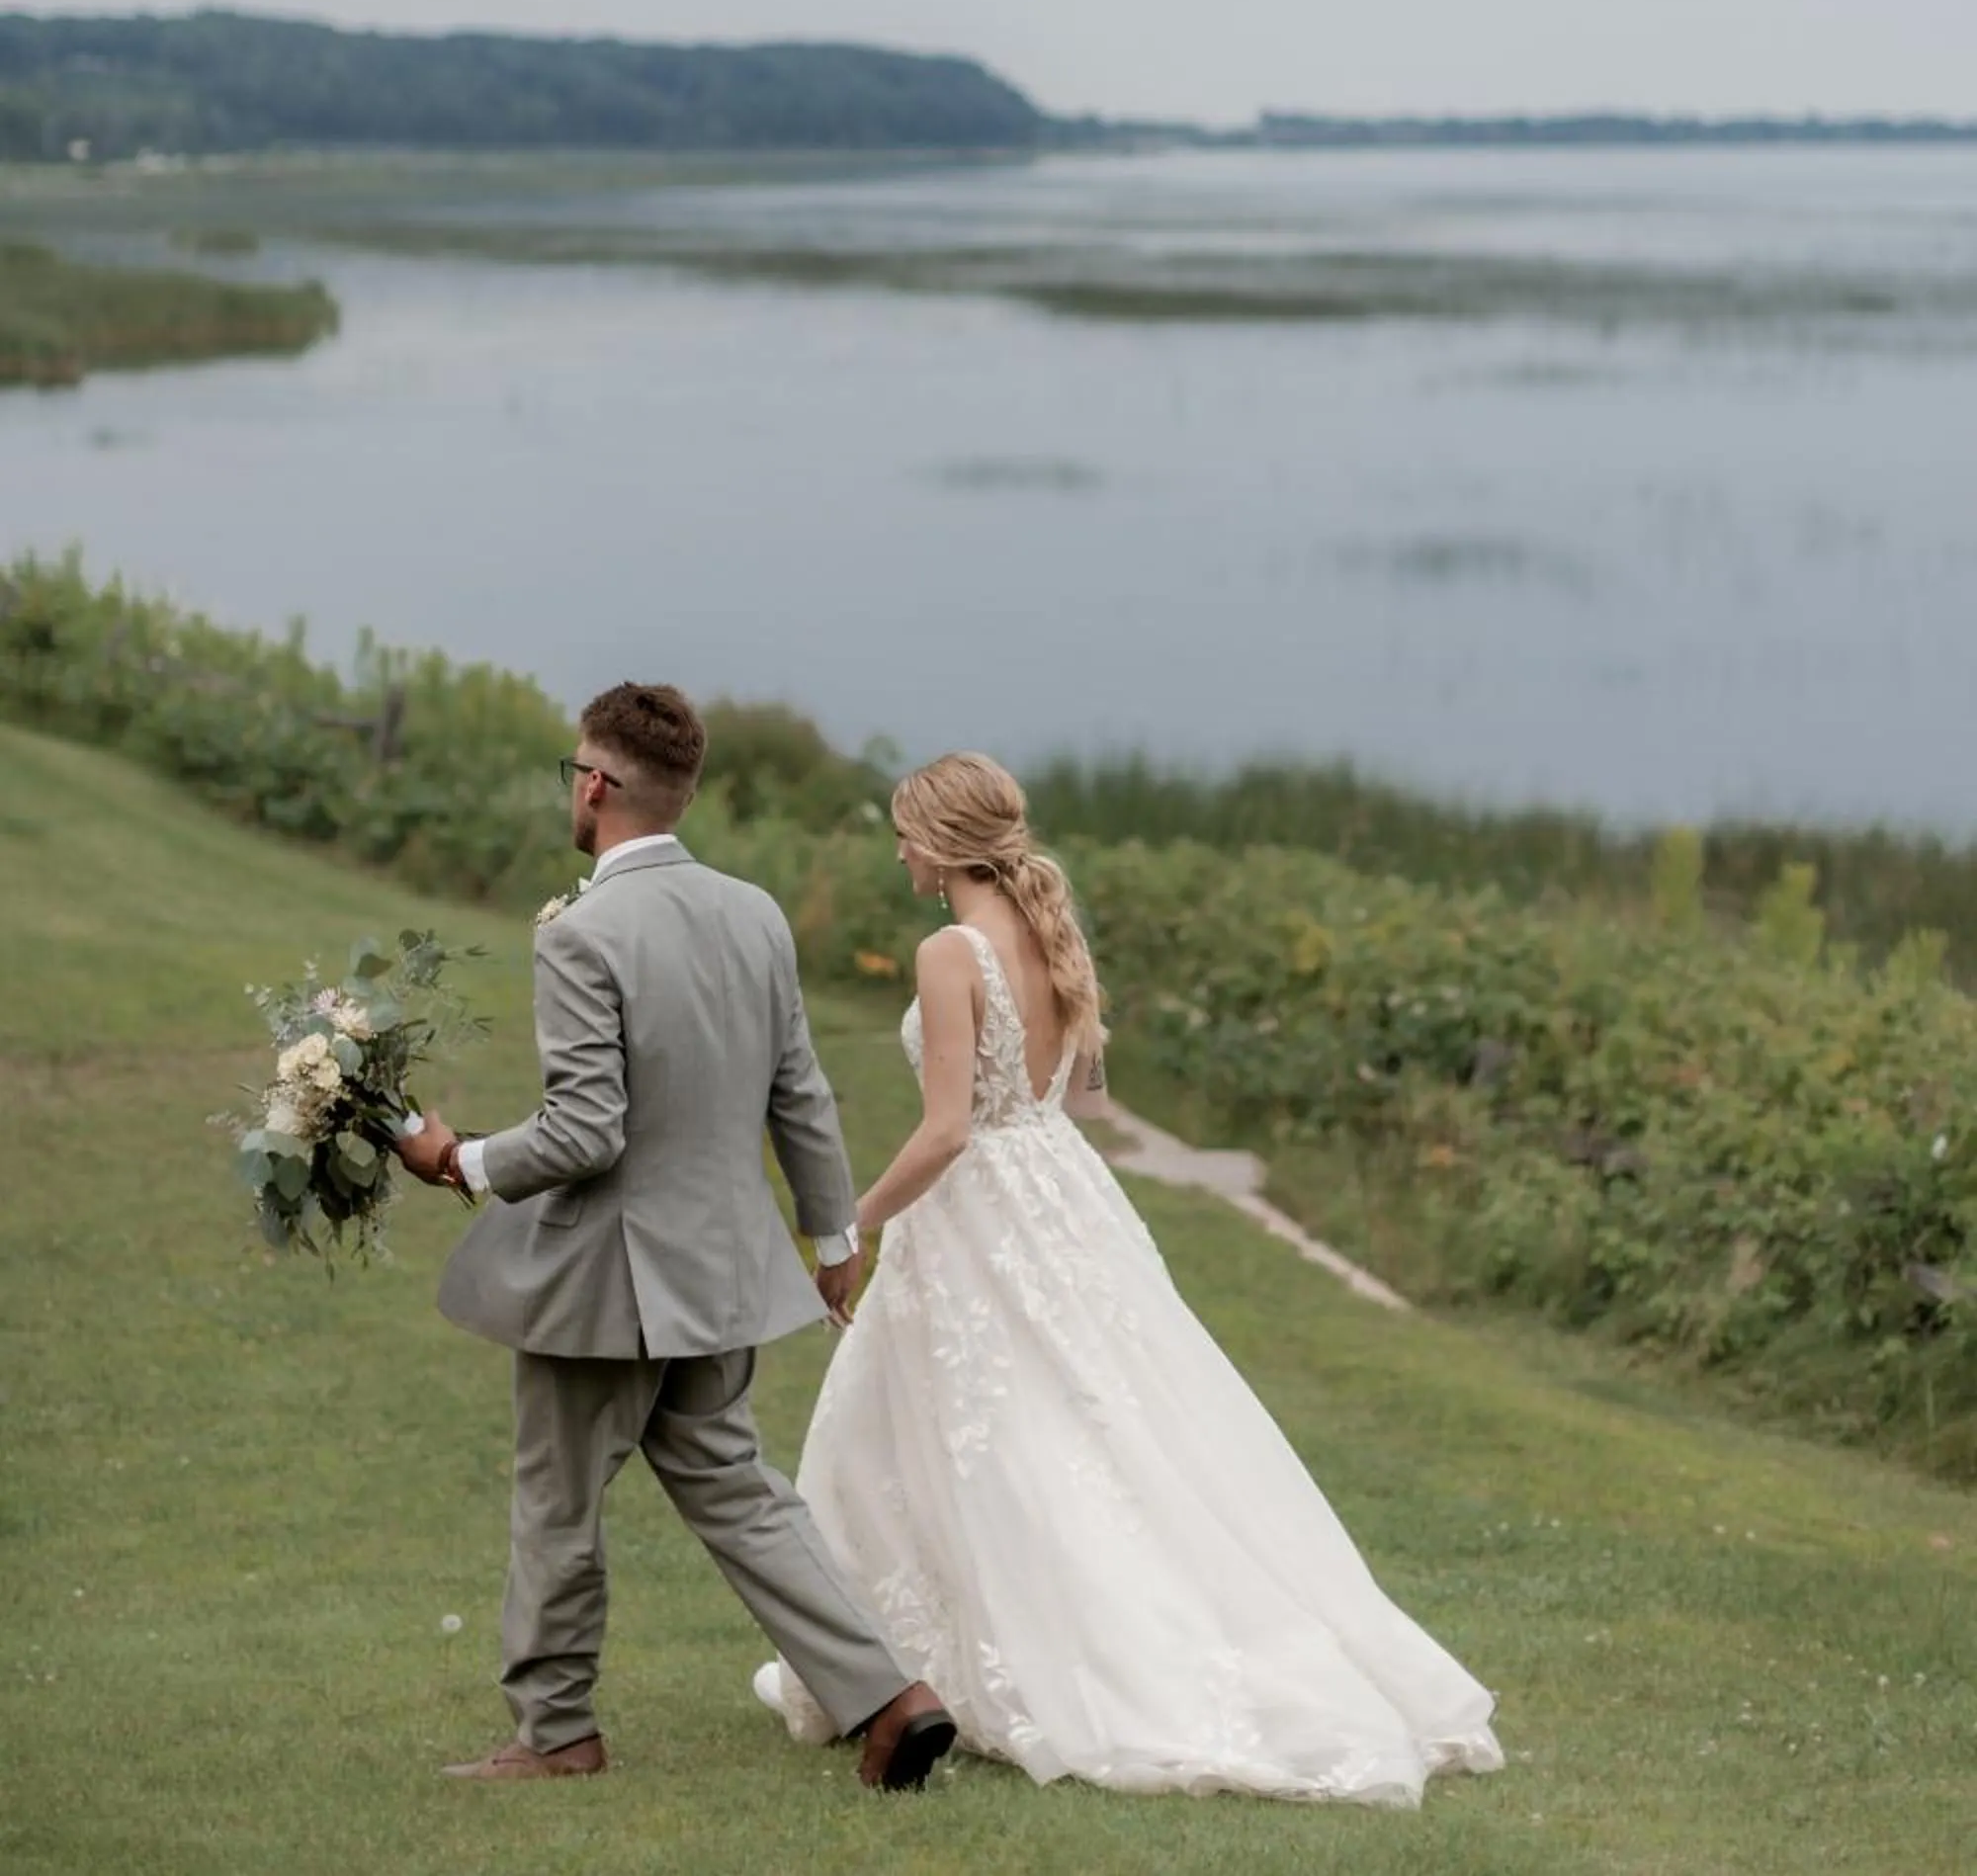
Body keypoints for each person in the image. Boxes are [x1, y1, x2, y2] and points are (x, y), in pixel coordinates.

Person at [753, 751, 1504, 1808]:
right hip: (1061, 1193)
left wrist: (847, 1220)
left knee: (994, 1430)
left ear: (944, 843)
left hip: (979, 1209)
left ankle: (974, 1661)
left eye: (905, 833)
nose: (898, 851)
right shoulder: (1051, 931)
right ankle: (931, 1654)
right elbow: (1078, 1093)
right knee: (1087, 1420)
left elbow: (946, 1130)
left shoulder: (947, 952)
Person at [395, 681, 954, 1792]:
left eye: (573, 772)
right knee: (737, 1486)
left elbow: (585, 1133)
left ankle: (554, 1732)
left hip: (608, 1285)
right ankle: (892, 1699)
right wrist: (830, 1230)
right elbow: (800, 1090)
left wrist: (460, 1161)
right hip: (721, 1269)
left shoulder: (583, 932)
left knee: (557, 1502)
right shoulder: (753, 910)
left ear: (596, 786)